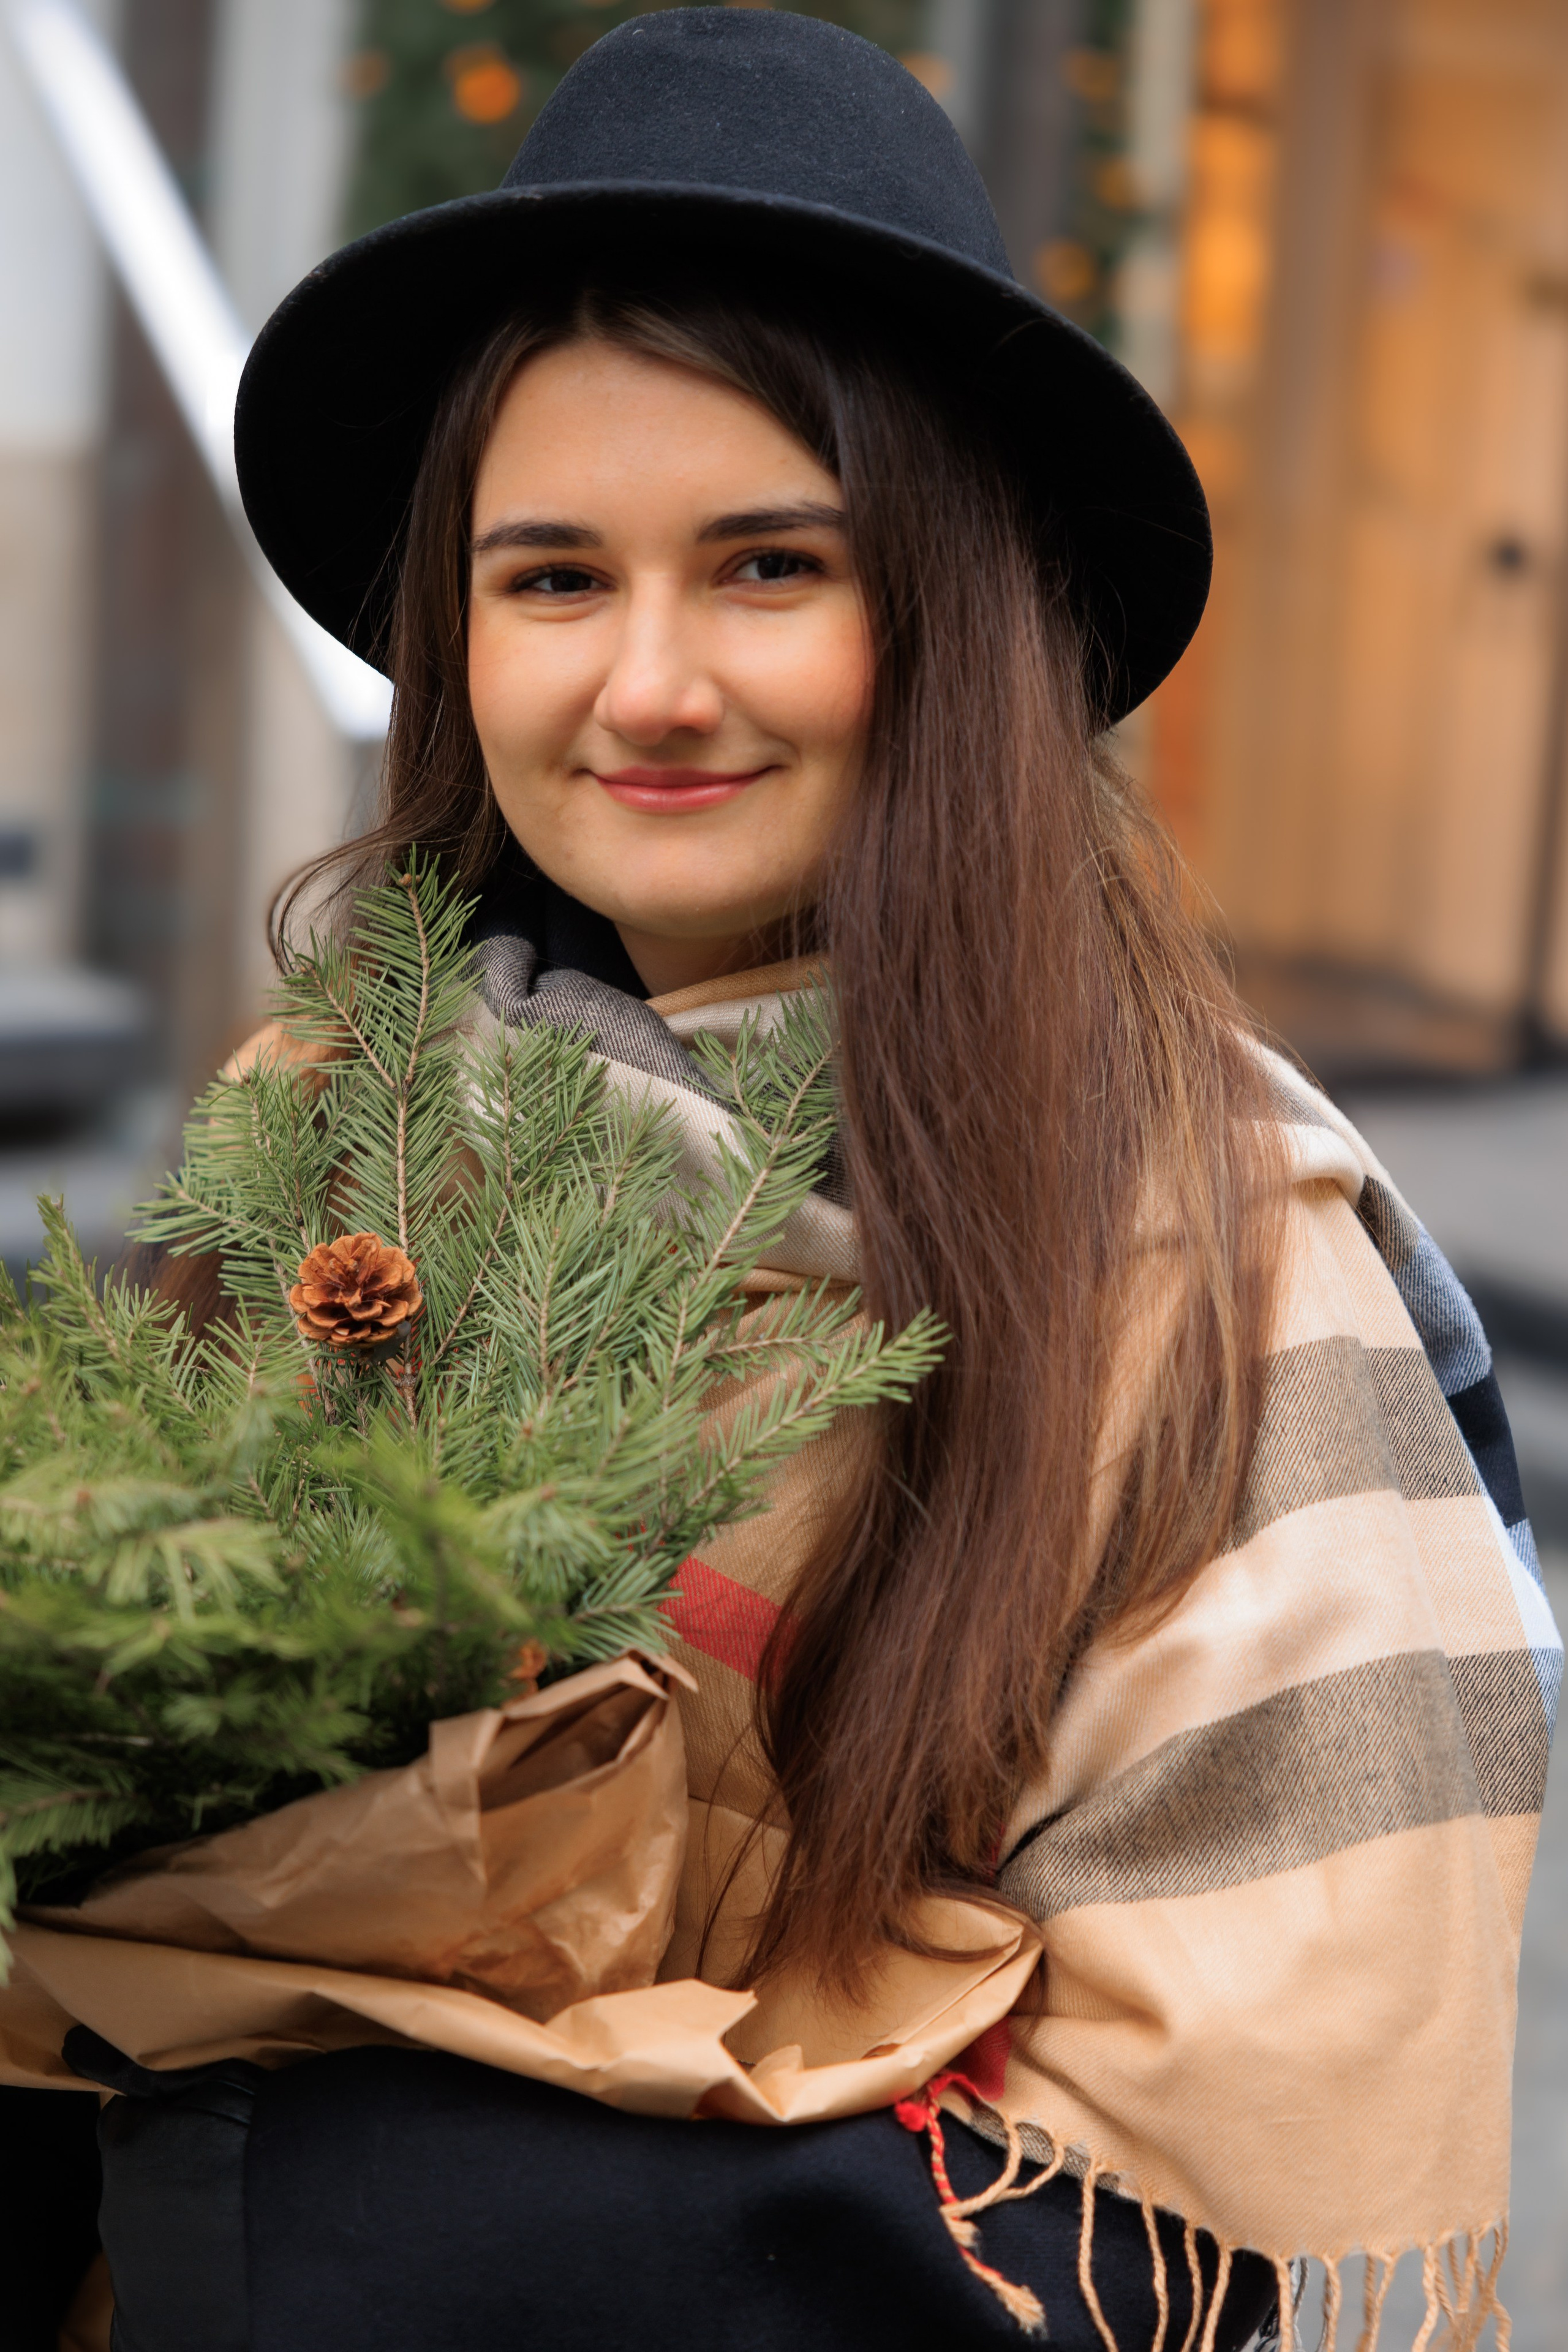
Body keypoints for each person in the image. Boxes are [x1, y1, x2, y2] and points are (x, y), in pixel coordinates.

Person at [18, 12, 1557, 2349]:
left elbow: (1206, 2187)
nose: (645, 684)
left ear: (953, 623)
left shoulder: (1206, 1257)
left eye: (765, 566)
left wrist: (345, 2187)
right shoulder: (338, 1116)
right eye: (551, 579)